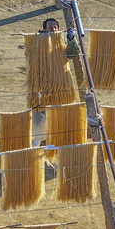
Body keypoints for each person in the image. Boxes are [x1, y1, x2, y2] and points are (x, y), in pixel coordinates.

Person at [31, 18, 80, 147]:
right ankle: (36, 141)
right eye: (51, 27)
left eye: (56, 27)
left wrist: (71, 39)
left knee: (63, 111)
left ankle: (63, 140)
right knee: (40, 113)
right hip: (43, 84)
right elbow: (29, 55)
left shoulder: (61, 42)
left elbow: (73, 53)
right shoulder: (37, 42)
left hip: (62, 84)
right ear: (44, 29)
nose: (54, 29)